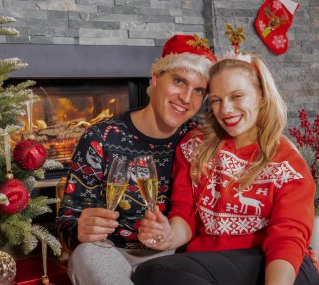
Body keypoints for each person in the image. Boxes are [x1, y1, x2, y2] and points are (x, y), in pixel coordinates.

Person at [132, 52, 319, 285]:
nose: (226, 110)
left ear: (261, 96)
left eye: (237, 96)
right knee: (151, 273)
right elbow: (185, 214)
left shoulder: (287, 161)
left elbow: (287, 238)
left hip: (278, 265)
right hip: (211, 265)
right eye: (217, 100)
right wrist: (168, 236)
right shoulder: (194, 147)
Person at [56, 34, 217, 285]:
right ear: (155, 79)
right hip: (112, 252)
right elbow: (66, 221)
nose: (186, 98)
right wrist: (79, 229)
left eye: (198, 90)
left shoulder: (200, 141)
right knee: (85, 254)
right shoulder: (101, 137)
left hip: (176, 254)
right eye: (178, 81)